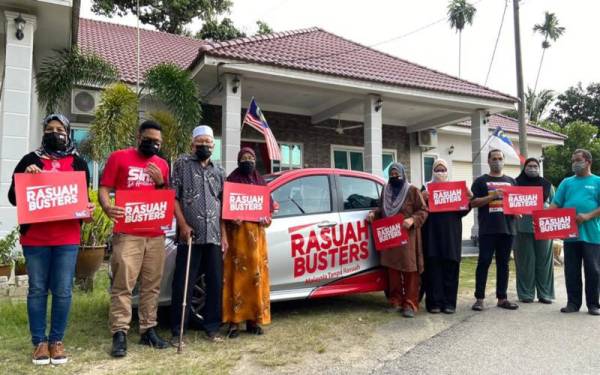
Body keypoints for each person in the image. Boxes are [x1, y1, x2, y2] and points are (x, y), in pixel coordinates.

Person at [8, 114, 92, 365]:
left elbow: (81, 199)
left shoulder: (78, 162)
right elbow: (14, 197)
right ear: (43, 132)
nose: (55, 133)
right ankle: (39, 343)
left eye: (60, 129)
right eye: (49, 129)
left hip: (67, 237)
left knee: (64, 290)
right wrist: (28, 177)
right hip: (35, 239)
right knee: (36, 290)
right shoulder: (29, 160)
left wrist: (87, 208)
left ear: (68, 133)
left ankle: (56, 341)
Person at [99, 120, 170, 357]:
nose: (154, 145)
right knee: (123, 285)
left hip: (155, 234)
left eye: (158, 142)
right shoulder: (119, 157)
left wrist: (160, 181)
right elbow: (104, 188)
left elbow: (166, 198)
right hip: (128, 232)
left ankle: (148, 330)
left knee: (152, 285)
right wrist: (108, 207)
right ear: (138, 137)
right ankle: (119, 332)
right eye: (149, 140)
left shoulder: (161, 164)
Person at [170, 125, 227, 344]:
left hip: (213, 235)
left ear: (214, 145)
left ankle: (212, 328)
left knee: (214, 283)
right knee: (184, 283)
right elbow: (175, 197)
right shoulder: (182, 164)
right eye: (200, 142)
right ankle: (178, 331)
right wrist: (183, 224)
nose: (204, 146)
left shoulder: (218, 170)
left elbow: (223, 204)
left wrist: (224, 235)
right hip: (190, 236)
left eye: (208, 143)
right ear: (192, 144)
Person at [367, 162, 428, 318]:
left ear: (403, 174)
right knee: (392, 270)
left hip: (407, 237)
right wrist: (374, 214)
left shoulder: (412, 190)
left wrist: (413, 220)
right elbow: (381, 208)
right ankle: (395, 301)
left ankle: (410, 304)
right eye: (391, 175)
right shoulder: (386, 190)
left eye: (397, 174)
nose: (394, 177)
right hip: (390, 236)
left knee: (410, 271)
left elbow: (423, 210)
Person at [223, 147, 272, 338]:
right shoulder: (231, 181)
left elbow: (268, 211)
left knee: (255, 280)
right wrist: (230, 217)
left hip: (257, 242)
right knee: (235, 280)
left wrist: (267, 219)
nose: (248, 160)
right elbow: (224, 210)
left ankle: (254, 320)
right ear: (238, 160)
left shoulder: (260, 182)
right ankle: (234, 323)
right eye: (244, 158)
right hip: (236, 241)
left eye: (251, 157)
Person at [550, 149, 600, 315]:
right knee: (571, 270)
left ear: (588, 161)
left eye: (577, 160)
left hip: (592, 235)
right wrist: (542, 218)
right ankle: (573, 303)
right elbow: (555, 204)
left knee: (593, 271)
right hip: (570, 235)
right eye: (573, 160)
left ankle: (593, 304)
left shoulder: (597, 181)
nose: (574, 163)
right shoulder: (566, 182)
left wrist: (587, 216)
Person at [470, 149, 519, 311]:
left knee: (503, 264)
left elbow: (518, 202)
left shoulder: (512, 181)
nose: (497, 161)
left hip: (507, 229)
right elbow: (473, 202)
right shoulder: (480, 181)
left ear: (504, 161)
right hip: (487, 230)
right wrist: (493, 196)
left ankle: (502, 298)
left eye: (499, 158)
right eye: (494, 158)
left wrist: (518, 211)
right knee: (483, 262)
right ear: (488, 161)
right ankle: (479, 299)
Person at [421, 159, 471, 314]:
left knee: (451, 268)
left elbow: (463, 210)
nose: (440, 173)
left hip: (451, 236)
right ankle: (434, 303)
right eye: (437, 170)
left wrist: (468, 197)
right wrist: (422, 198)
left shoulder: (455, 189)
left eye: (443, 170)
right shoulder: (425, 188)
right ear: (432, 171)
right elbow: (417, 209)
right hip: (431, 236)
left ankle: (449, 303)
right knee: (433, 270)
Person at [514, 158, 555, 304]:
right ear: (524, 168)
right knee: (525, 262)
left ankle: (546, 294)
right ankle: (526, 294)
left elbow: (554, 205)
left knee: (544, 262)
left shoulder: (547, 185)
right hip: (521, 228)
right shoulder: (516, 183)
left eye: (535, 166)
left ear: (539, 168)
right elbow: (510, 204)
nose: (532, 168)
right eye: (529, 166)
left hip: (543, 228)